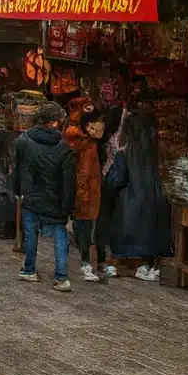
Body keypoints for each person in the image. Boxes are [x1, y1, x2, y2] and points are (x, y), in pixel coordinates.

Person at [15, 101, 77, 290]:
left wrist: (19, 192)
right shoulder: (64, 148)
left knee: (31, 233)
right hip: (56, 199)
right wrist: (68, 208)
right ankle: (61, 277)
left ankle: (29, 269)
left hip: (31, 196)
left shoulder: (24, 141)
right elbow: (69, 182)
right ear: (55, 122)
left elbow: (18, 171)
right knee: (60, 236)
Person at [102, 112, 170, 281]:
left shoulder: (125, 154)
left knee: (124, 235)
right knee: (147, 237)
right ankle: (144, 266)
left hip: (128, 207)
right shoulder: (157, 155)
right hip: (152, 207)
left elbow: (114, 180)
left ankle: (118, 265)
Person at [67, 107, 109, 282]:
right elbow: (84, 175)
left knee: (86, 230)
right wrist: (82, 198)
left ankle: (91, 263)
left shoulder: (89, 144)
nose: (101, 130)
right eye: (99, 127)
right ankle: (86, 264)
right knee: (85, 230)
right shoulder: (88, 146)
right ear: (90, 126)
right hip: (87, 196)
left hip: (90, 194)